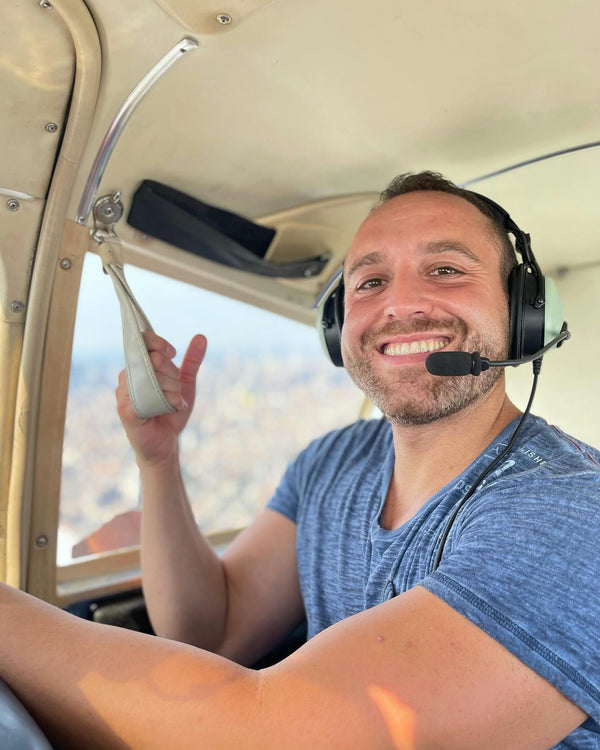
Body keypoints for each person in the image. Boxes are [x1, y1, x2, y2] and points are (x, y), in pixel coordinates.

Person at [1, 172, 599, 749]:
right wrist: (158, 462)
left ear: (525, 310)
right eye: (369, 282)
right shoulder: (331, 463)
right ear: (338, 325)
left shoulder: (574, 514)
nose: (402, 304)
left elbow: (270, 737)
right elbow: (211, 630)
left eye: (445, 270)